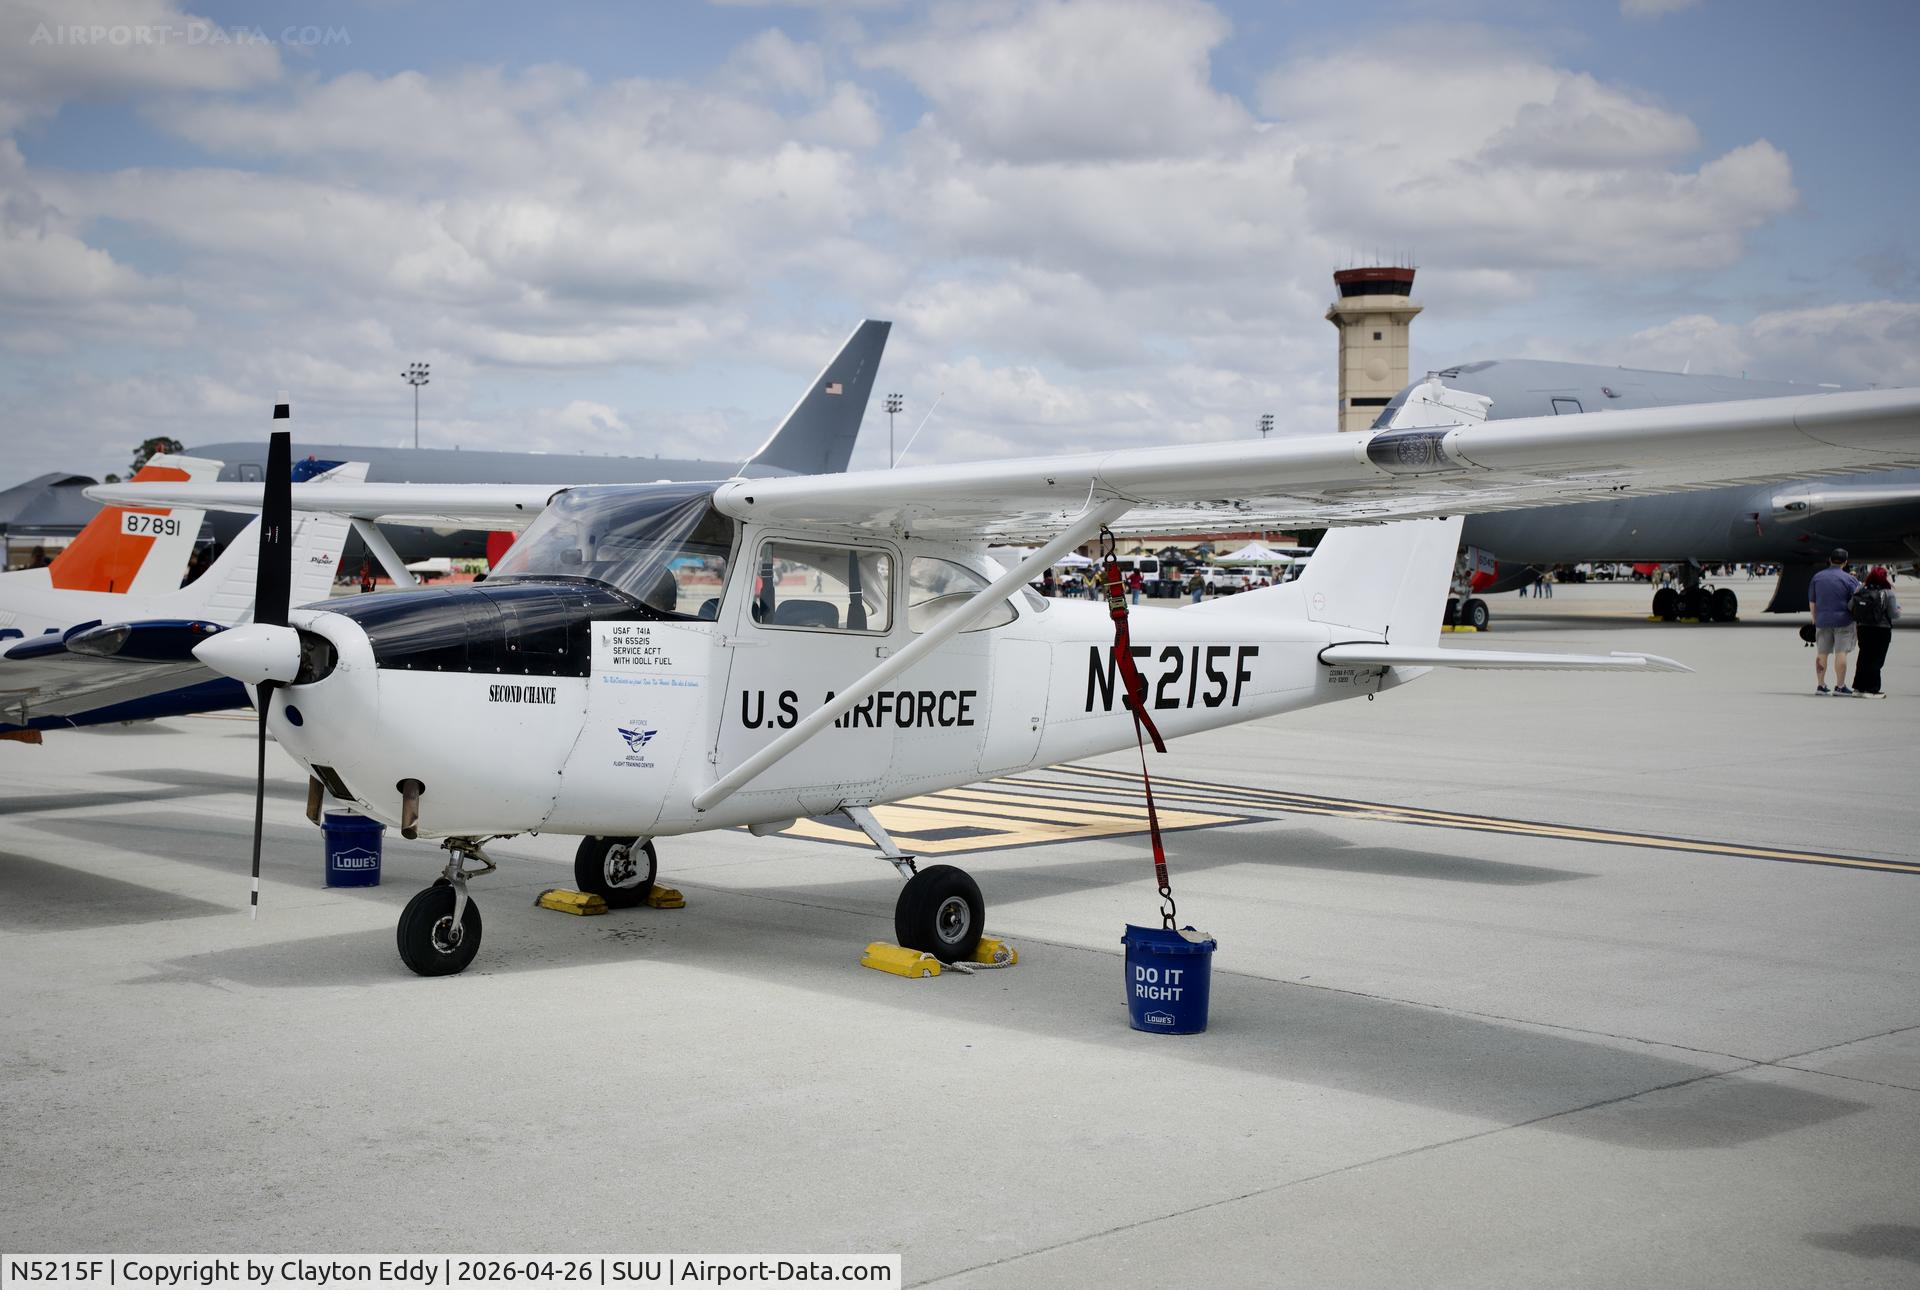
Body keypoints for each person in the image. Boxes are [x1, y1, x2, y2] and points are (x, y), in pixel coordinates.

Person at [1807, 547, 1861, 695]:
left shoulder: (1817, 577)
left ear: (1830, 560)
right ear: (1845, 562)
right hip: (1844, 620)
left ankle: (1820, 685)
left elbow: (1812, 602)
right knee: (1841, 652)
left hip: (1822, 620)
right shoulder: (1850, 579)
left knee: (1822, 653)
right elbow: (1856, 599)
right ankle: (1840, 686)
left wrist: (1814, 619)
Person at [1851, 566, 1901, 698]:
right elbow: (1894, 614)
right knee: (1876, 660)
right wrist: (1899, 608)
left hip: (1863, 628)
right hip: (1881, 629)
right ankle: (1872, 689)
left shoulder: (1861, 589)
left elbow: (1850, 605)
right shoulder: (1887, 593)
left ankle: (1858, 688)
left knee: (1863, 657)